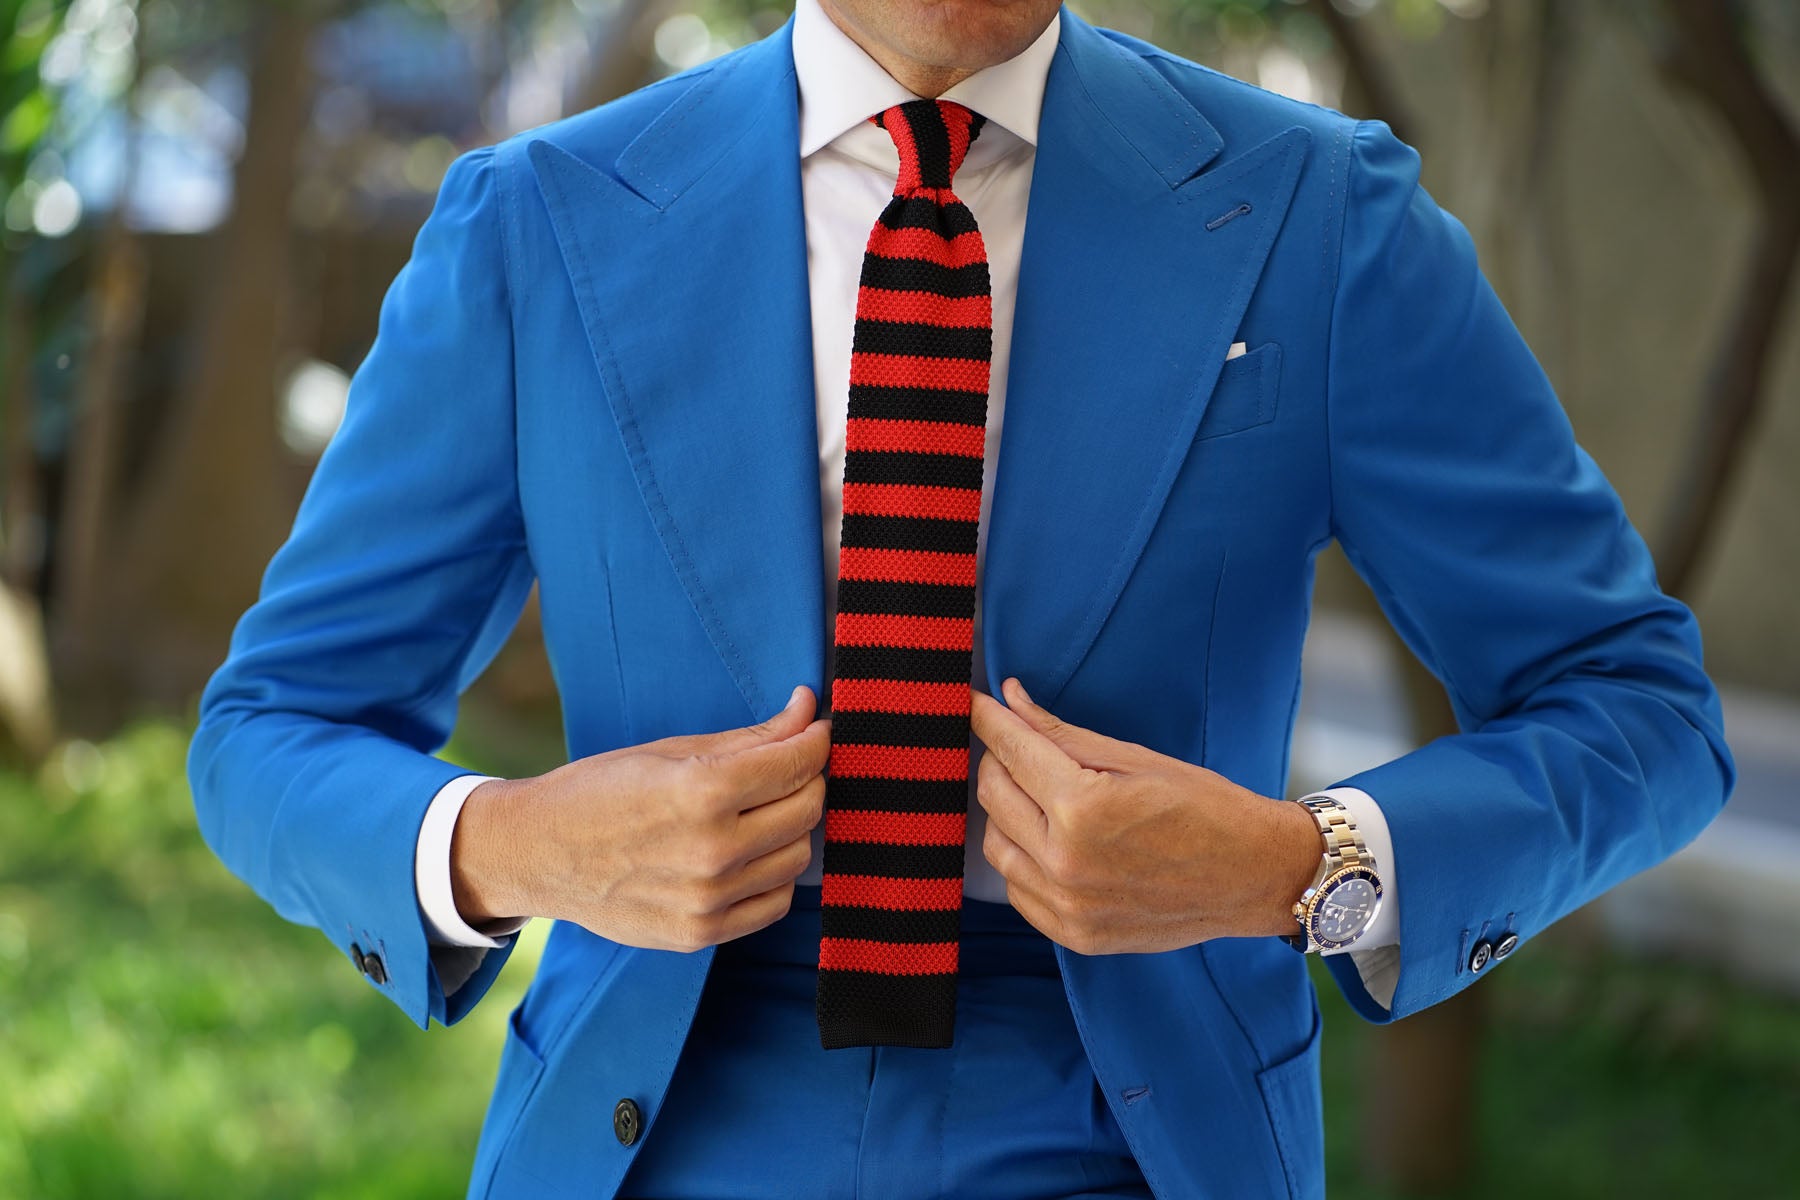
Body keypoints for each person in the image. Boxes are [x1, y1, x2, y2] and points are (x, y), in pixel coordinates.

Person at [188, 0, 1735, 1196]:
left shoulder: (1323, 222)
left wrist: (1294, 868)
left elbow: (1638, 710)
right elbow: (270, 731)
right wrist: (522, 846)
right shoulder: (536, 226)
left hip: (1138, 1136)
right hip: (650, 1126)